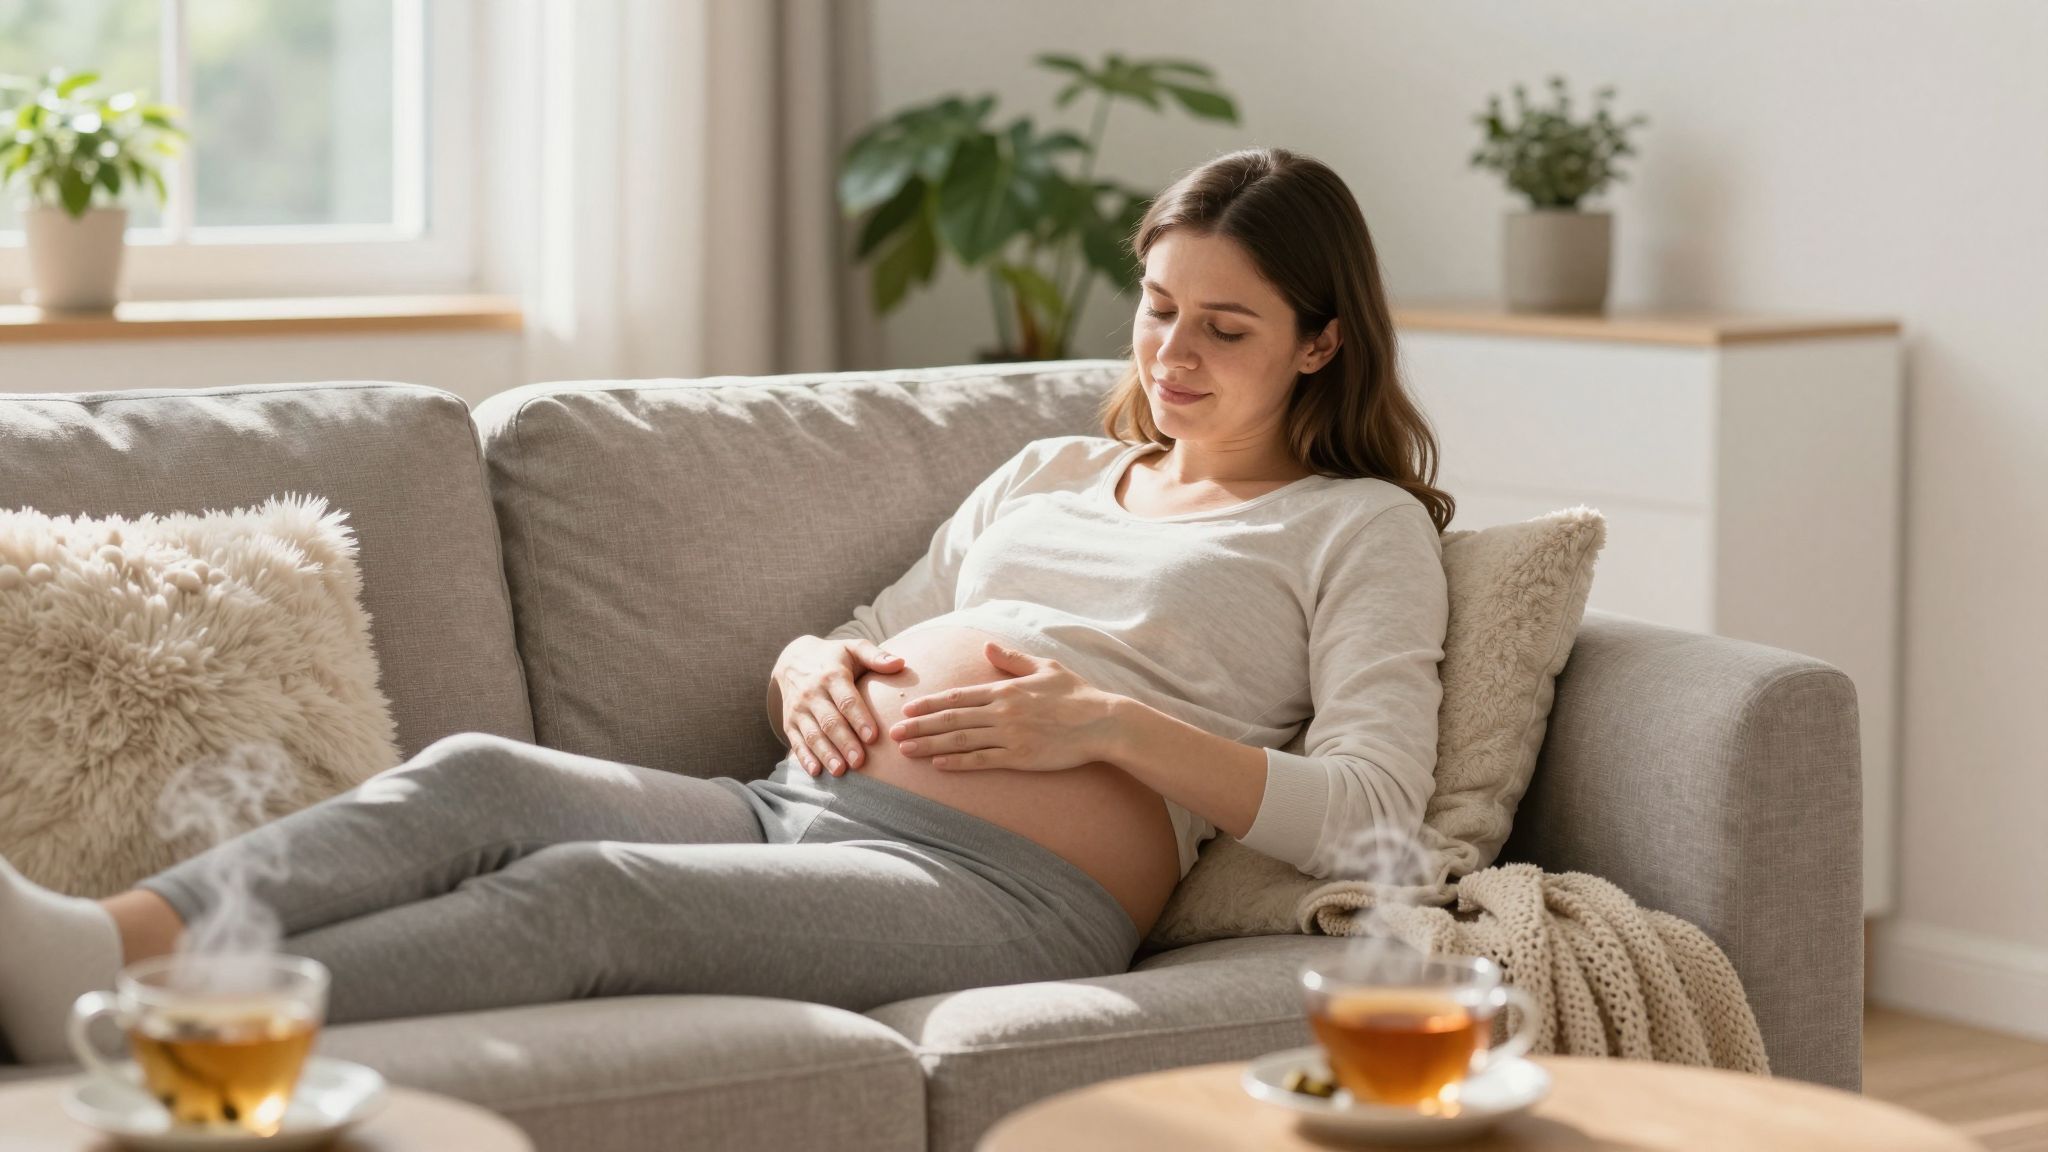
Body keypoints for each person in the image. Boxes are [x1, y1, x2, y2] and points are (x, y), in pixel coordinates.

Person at [0, 146, 1452, 1065]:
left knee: (584, 899)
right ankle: (102, 941)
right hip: (798, 807)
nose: (1173, 349)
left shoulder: (1353, 527)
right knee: (480, 778)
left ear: (1323, 342)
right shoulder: (1055, 466)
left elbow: (1374, 810)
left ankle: (148, 1036)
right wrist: (809, 663)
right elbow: (871, 621)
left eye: (1227, 324)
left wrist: (1108, 725)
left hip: (1009, 896)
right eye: (1155, 304)